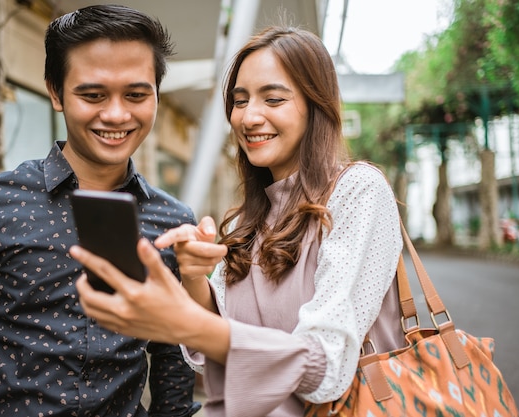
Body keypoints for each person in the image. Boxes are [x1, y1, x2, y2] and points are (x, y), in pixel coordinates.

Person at [71, 26, 405, 416]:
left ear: (316, 105)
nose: (249, 117)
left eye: (274, 99)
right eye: (240, 100)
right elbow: (207, 356)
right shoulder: (249, 218)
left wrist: (178, 321)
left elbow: (325, 368)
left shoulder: (357, 191)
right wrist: (193, 278)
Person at [0, 5, 200, 417]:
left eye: (136, 95)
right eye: (93, 95)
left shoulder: (173, 223)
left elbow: (175, 373)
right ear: (55, 92)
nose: (117, 114)